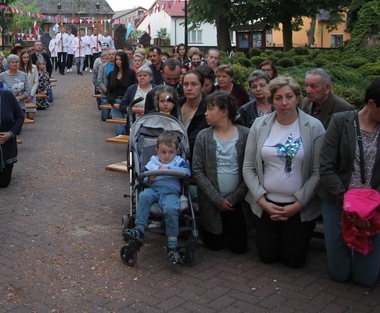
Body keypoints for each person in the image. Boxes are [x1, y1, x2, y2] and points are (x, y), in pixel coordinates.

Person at [318, 78, 380, 287]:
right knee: (339, 274)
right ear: (372, 103)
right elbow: (326, 167)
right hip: (338, 202)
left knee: (366, 279)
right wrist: (350, 206)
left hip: (374, 207)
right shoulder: (340, 122)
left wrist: (369, 206)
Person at [243, 76, 325, 268]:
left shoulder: (314, 127)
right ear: (271, 101)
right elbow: (248, 167)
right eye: (278, 98)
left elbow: (318, 171)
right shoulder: (259, 125)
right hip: (266, 205)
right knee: (268, 257)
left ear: (297, 98)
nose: (284, 103)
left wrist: (297, 205)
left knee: (294, 261)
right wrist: (262, 202)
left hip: (298, 206)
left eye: (289, 96)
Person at [192, 92, 250, 254]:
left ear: (224, 112)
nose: (206, 113)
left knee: (239, 247)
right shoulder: (203, 136)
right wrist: (217, 199)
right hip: (211, 201)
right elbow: (198, 171)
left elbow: (250, 170)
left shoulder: (246, 135)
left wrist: (233, 198)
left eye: (211, 109)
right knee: (214, 244)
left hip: (236, 201)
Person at [122, 131, 191, 265]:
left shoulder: (179, 162)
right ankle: (139, 229)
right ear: (157, 151)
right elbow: (143, 177)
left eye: (170, 152)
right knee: (143, 196)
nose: (166, 156)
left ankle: (172, 244)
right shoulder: (152, 162)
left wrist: (173, 170)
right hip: (153, 189)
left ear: (177, 151)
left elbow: (187, 173)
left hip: (170, 192)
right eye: (163, 152)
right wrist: (149, 178)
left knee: (171, 209)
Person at [108, 51, 137, 135]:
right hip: (116, 102)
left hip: (126, 103)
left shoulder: (131, 73)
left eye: (120, 59)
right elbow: (109, 90)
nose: (118, 61)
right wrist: (112, 102)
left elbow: (133, 89)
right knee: (118, 131)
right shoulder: (112, 74)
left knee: (127, 128)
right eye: (116, 59)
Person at [180, 69, 208, 149]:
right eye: (185, 84)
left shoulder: (208, 109)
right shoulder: (176, 105)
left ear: (202, 87)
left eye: (194, 84)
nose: (189, 88)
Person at [19, 49, 38, 120]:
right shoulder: (18, 68)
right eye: (24, 57)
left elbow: (36, 82)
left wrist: (31, 94)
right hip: (21, 94)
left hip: (31, 93)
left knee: (31, 116)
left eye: (27, 57)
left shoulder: (34, 67)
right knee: (23, 116)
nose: (26, 59)